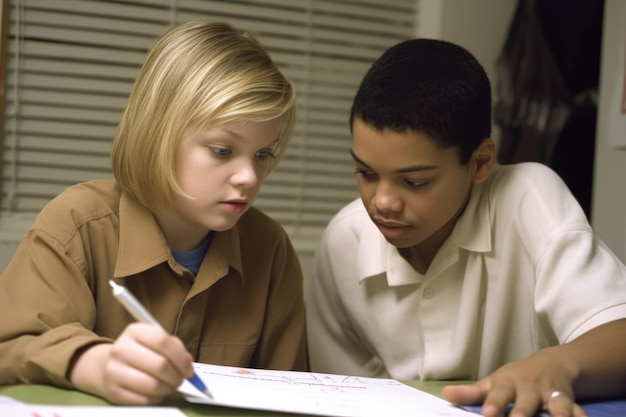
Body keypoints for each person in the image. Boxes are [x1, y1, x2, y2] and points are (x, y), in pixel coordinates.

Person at [306, 37, 626, 417]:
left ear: (480, 162)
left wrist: (557, 365)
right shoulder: (345, 240)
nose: (383, 202)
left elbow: (616, 332)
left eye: (416, 182)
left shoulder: (530, 199)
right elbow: (337, 396)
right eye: (366, 173)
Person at [0, 20, 307, 405]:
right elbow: (11, 346)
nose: (249, 177)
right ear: (158, 133)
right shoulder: (77, 224)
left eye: (263, 154)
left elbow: (296, 395)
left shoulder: (270, 248)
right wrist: (91, 363)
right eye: (222, 151)